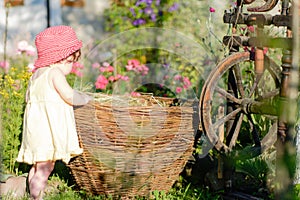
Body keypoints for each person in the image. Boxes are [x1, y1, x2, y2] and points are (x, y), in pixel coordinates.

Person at [16, 25, 92, 200]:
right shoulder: (55, 73)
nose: (72, 67)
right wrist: (85, 98)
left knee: (37, 167)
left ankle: (32, 194)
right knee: (45, 168)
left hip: (35, 131)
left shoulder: (36, 76)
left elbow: (30, 99)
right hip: (48, 131)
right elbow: (69, 96)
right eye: (71, 62)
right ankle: (37, 197)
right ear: (61, 58)